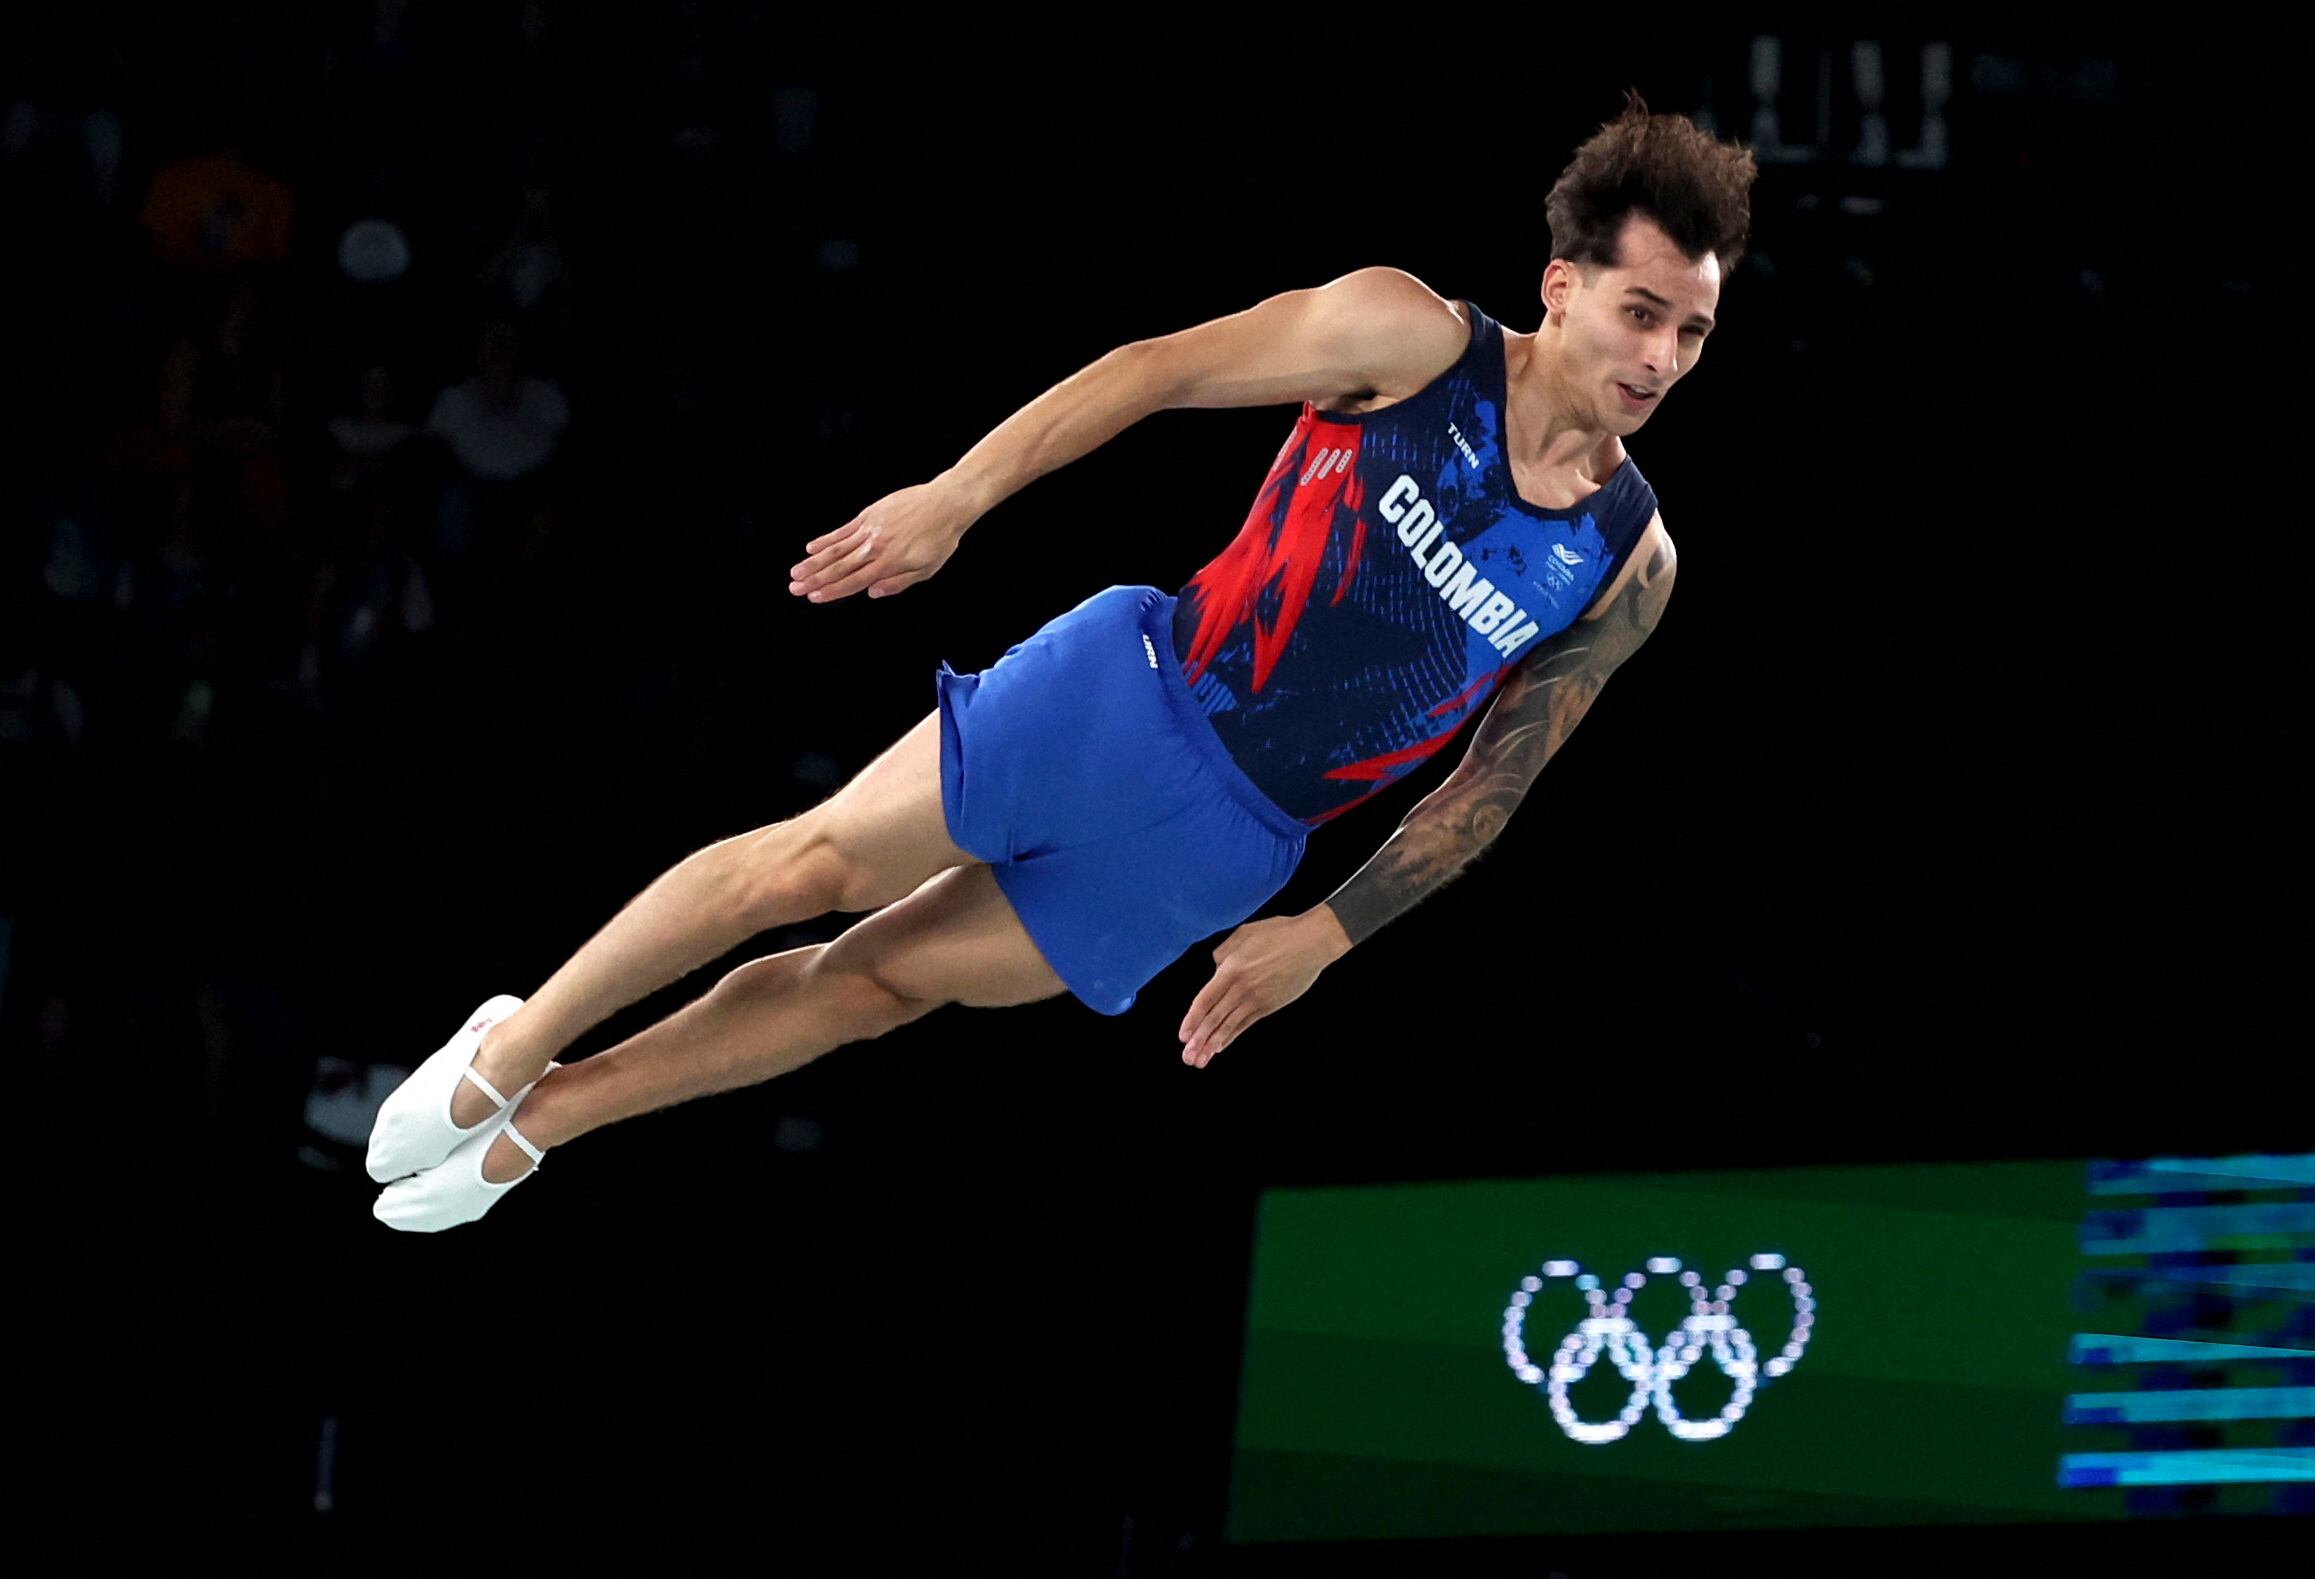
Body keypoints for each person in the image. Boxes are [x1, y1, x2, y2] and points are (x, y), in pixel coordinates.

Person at [368, 91, 1755, 1231]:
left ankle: (548, 1121)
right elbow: (1155, 367)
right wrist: (958, 495)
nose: (1663, 357)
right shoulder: (1411, 338)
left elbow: (1491, 785)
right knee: (808, 869)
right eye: (1642, 313)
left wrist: (1328, 937)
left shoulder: (1631, 565)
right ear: (1562, 287)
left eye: (1691, 331)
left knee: (870, 989)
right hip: (1127, 696)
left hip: (1228, 848)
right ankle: (509, 1046)